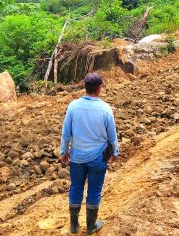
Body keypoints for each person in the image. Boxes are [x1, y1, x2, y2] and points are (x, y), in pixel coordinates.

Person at [60, 72, 119, 235]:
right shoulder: (105, 109)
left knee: (76, 188)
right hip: (98, 158)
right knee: (94, 190)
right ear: (99, 88)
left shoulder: (73, 106)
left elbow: (66, 133)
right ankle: (91, 226)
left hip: (77, 157)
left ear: (85, 87)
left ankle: (74, 226)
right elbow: (112, 136)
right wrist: (115, 152)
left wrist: (64, 152)